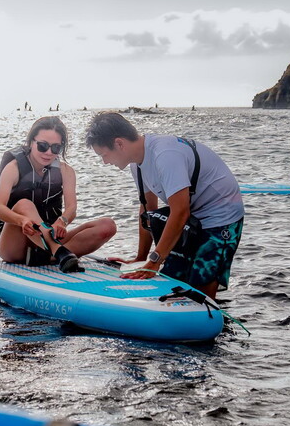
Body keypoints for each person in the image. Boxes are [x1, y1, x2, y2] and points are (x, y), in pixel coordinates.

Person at [84, 112, 244, 300]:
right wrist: (141, 259)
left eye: (104, 154)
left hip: (221, 216)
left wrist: (155, 260)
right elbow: (147, 210)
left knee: (200, 286)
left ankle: (210, 317)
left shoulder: (165, 155)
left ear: (119, 143)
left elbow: (180, 211)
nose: (104, 161)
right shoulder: (137, 164)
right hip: (193, 214)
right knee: (174, 279)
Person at [0, 116, 116, 272]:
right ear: (31, 142)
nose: (48, 153)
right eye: (43, 146)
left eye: (55, 148)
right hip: (15, 245)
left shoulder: (66, 172)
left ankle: (48, 256)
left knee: (107, 226)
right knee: (24, 204)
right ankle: (60, 252)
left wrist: (62, 221)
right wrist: (21, 220)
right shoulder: (13, 168)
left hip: (50, 235)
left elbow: (71, 209)